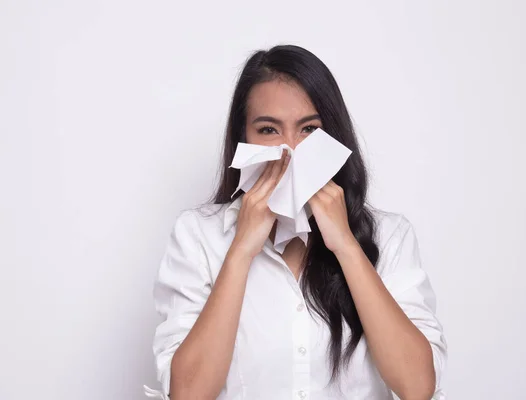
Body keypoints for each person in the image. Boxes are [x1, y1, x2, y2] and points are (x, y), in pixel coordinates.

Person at [144, 45, 447, 400]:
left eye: (308, 130)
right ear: (244, 138)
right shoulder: (198, 235)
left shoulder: (391, 237)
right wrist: (241, 250)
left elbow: (418, 388)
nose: (290, 151)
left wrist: (347, 247)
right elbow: (189, 394)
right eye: (269, 130)